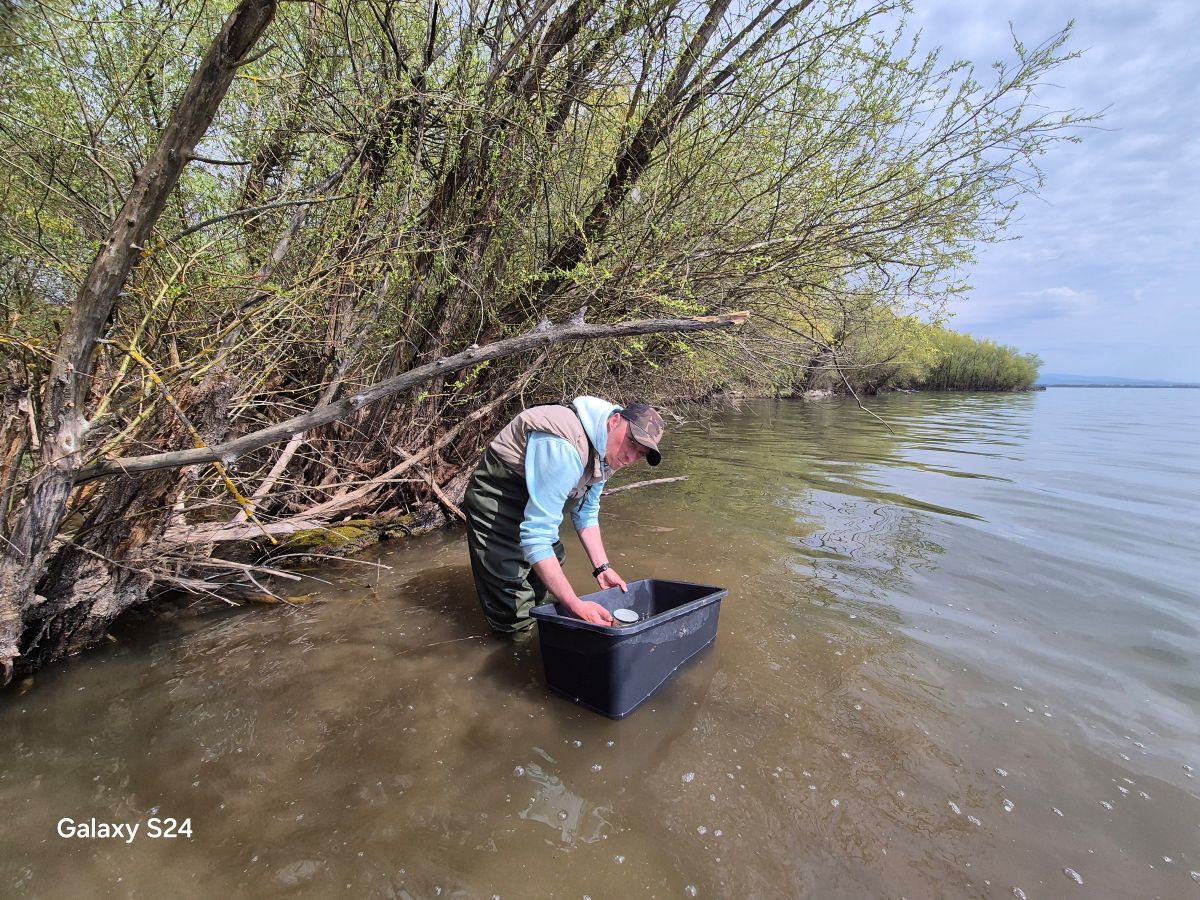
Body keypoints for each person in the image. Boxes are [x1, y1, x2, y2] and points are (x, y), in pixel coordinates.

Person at [462, 396, 665, 635]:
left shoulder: (609, 449)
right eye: (631, 442)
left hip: (535, 497)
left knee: (549, 566)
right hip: (499, 499)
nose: (630, 457)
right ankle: (516, 643)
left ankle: (541, 625)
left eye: (640, 453)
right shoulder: (564, 447)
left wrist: (602, 568)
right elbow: (536, 536)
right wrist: (574, 604)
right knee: (510, 595)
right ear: (615, 421)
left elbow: (586, 510)